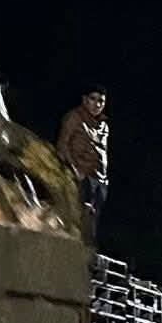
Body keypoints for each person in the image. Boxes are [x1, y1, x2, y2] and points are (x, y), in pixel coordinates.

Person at [55, 86, 109, 228]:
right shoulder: (74, 117)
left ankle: (87, 247)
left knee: (91, 221)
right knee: (76, 218)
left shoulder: (103, 125)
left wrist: (104, 179)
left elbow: (102, 152)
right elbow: (62, 146)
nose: (97, 104)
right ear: (85, 100)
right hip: (79, 176)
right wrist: (74, 170)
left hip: (99, 180)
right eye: (93, 99)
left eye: (101, 101)